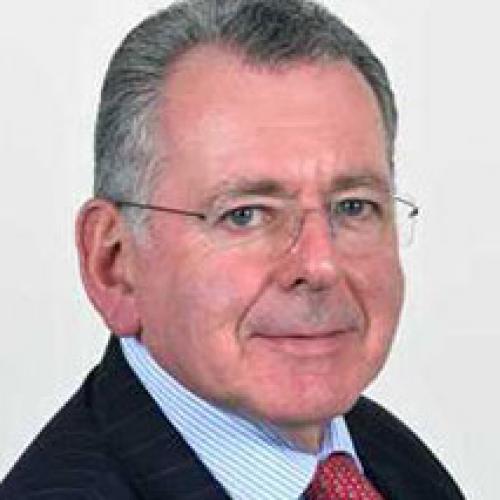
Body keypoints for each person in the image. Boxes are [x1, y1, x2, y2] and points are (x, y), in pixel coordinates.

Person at [0, 0, 465, 498]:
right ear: (112, 264)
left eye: (354, 206)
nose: (320, 264)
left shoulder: (388, 460)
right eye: (246, 215)